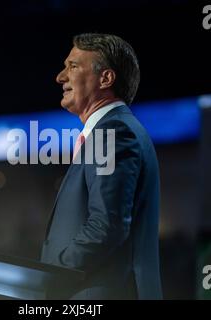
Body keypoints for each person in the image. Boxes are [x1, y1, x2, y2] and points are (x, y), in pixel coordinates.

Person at [40, 33, 163, 300]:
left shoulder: (113, 132)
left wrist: (52, 272)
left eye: (73, 66)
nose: (60, 77)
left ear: (106, 79)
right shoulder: (110, 132)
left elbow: (107, 225)